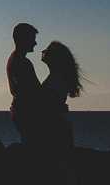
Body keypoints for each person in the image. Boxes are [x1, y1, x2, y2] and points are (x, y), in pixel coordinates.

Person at [38, 41, 86, 184]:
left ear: (55, 57)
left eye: (46, 50)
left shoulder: (55, 79)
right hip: (57, 128)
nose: (42, 51)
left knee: (60, 169)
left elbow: (49, 106)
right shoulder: (56, 78)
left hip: (54, 130)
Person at [7, 23, 42, 178]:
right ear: (22, 39)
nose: (35, 43)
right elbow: (29, 91)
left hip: (23, 112)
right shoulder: (21, 62)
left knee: (31, 152)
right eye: (32, 39)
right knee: (33, 155)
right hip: (26, 113)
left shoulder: (18, 60)